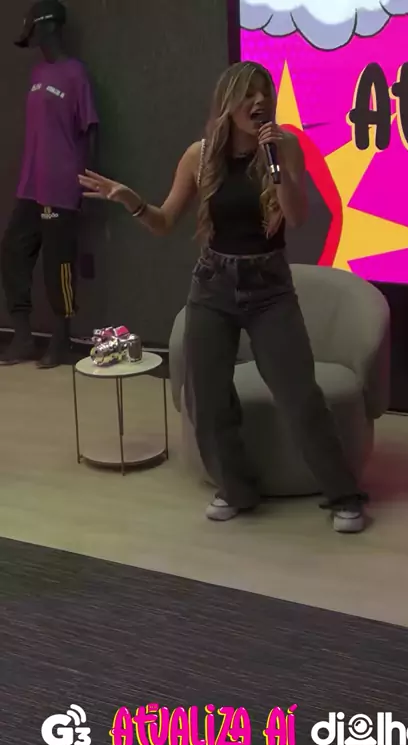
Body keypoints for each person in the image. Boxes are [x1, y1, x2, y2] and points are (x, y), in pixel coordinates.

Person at [79, 61, 367, 533]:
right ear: (228, 103)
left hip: (269, 287)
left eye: (265, 93)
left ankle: (344, 495)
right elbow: (164, 221)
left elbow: (297, 218)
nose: (259, 101)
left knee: (299, 395)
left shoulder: (284, 146)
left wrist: (275, 164)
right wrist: (131, 200)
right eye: (248, 94)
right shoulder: (201, 155)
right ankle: (236, 488)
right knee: (207, 396)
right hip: (213, 284)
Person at [0, 0, 98, 369]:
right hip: (31, 184)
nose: (34, 39)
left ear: (49, 27)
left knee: (58, 265)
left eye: (35, 30)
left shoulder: (76, 74)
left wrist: (90, 183)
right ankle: (23, 337)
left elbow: (91, 128)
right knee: (13, 250)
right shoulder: (37, 73)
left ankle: (61, 340)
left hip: (62, 185)